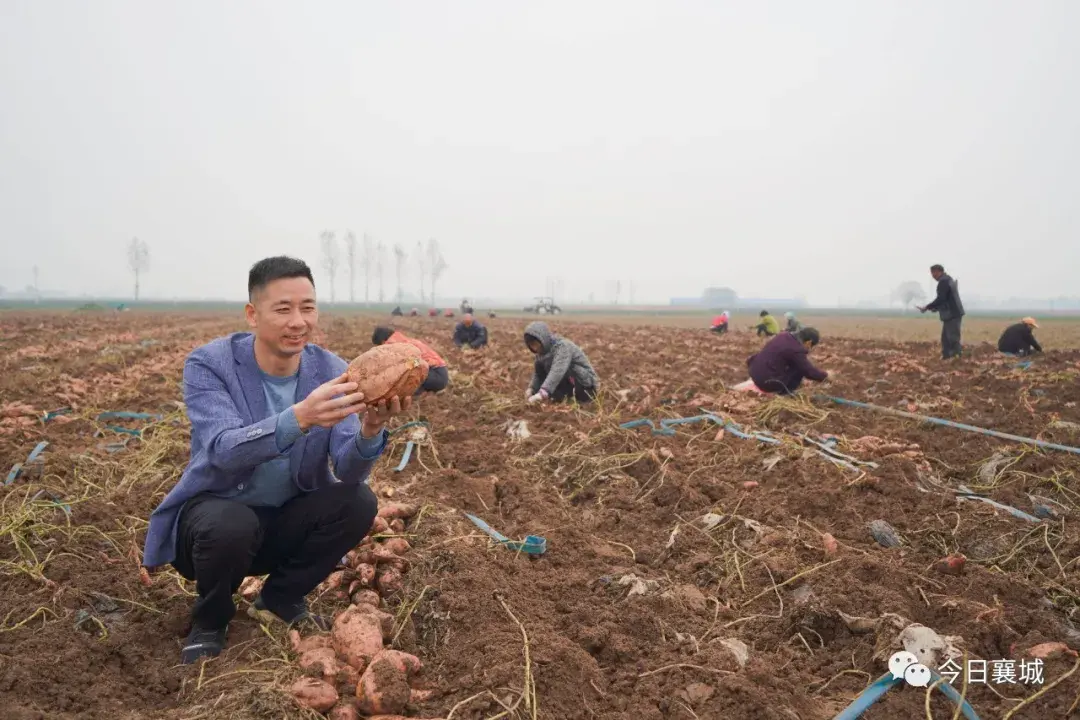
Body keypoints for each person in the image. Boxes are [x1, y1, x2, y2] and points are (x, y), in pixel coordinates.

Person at [142, 256, 410, 664]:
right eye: (283, 309)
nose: (298, 321)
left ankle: (279, 596)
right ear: (253, 314)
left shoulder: (330, 370)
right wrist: (300, 417)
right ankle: (211, 619)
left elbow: (348, 469)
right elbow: (223, 450)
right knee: (231, 523)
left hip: (282, 524)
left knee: (359, 501)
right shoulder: (209, 365)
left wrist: (369, 430)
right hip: (213, 527)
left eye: (307, 307)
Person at [523, 321, 599, 404]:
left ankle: (580, 399)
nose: (535, 348)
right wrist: (532, 389)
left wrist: (543, 393)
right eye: (531, 346)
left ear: (542, 339)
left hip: (585, 386)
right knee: (540, 368)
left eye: (536, 344)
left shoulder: (563, 347)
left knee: (564, 369)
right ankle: (561, 398)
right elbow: (538, 374)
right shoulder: (541, 354)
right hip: (567, 384)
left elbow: (557, 371)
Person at [747, 327, 829, 395]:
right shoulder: (796, 349)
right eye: (811, 346)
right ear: (809, 342)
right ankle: (785, 394)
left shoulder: (783, 335)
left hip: (754, 371)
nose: (809, 349)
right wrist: (826, 376)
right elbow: (808, 371)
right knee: (798, 368)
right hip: (766, 382)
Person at [371, 326, 450, 393]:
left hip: (437, 375)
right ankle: (424, 391)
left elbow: (418, 361)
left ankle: (419, 392)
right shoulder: (403, 340)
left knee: (403, 373)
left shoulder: (396, 345)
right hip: (439, 374)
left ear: (383, 341)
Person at [918, 264, 965, 359]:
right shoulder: (948, 279)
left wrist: (927, 307)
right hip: (951, 313)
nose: (933, 276)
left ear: (938, 272)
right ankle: (946, 356)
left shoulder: (943, 282)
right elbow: (946, 299)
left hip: (952, 314)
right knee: (945, 338)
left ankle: (956, 357)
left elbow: (941, 299)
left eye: (933, 273)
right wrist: (935, 308)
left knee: (952, 338)